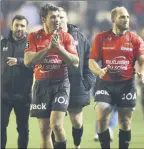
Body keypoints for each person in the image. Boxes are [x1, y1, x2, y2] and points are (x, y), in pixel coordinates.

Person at [24, 4, 79, 149]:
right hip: (41, 85)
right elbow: (28, 60)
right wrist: (48, 49)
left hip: (61, 84)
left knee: (56, 124)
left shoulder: (66, 37)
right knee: (44, 131)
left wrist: (59, 49)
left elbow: (75, 62)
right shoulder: (33, 36)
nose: (57, 20)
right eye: (53, 17)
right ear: (43, 19)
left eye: (58, 17)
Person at [89, 6, 144, 149]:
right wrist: (99, 71)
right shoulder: (101, 38)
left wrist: (141, 72)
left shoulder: (135, 39)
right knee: (101, 116)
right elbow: (92, 60)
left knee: (125, 121)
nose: (126, 19)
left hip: (126, 84)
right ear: (113, 19)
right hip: (105, 83)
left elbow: (141, 59)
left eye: (127, 17)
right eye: (122, 17)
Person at [55, 7, 95, 149]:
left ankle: (76, 146)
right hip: (55, 85)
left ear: (67, 19)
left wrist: (87, 82)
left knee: (77, 122)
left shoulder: (80, 37)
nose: (58, 20)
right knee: (55, 123)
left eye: (61, 17)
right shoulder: (48, 37)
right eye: (55, 17)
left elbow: (90, 61)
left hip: (76, 86)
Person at [1, 15, 33, 149]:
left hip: (23, 95)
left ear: (26, 28)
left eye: (22, 26)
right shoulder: (3, 43)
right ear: (11, 26)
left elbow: (34, 64)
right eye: (17, 25)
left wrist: (19, 62)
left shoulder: (31, 45)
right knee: (1, 127)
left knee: (23, 128)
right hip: (4, 95)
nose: (19, 28)